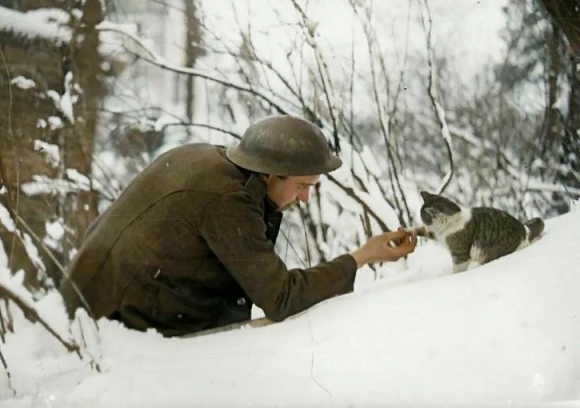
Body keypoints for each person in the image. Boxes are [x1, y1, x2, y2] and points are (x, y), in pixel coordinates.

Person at [60, 115, 417, 337]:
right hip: (117, 325)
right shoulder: (227, 199)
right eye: (303, 186)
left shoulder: (216, 160)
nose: (305, 199)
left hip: (93, 297)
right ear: (270, 174)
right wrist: (362, 256)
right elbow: (280, 297)